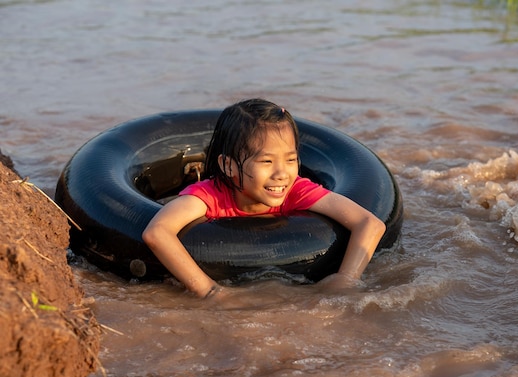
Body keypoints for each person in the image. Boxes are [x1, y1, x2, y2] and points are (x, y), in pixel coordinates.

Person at [142, 98, 386, 300]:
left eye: (290, 160)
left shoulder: (297, 190)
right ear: (228, 166)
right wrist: (209, 290)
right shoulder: (210, 195)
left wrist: (345, 280)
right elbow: (157, 232)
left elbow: (370, 223)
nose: (282, 174)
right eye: (267, 161)